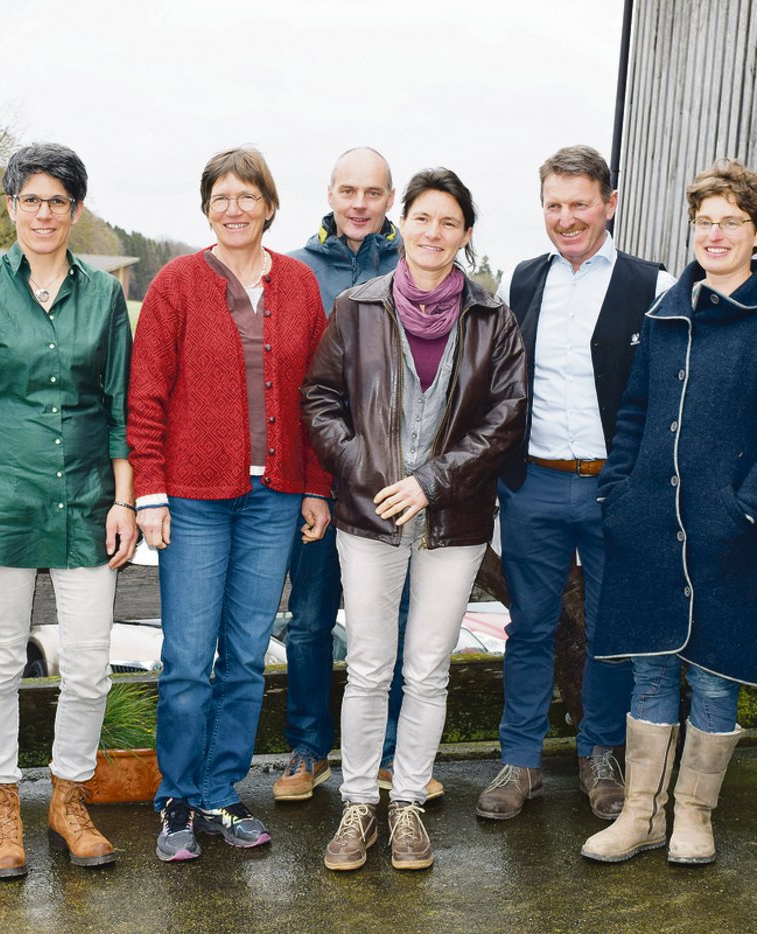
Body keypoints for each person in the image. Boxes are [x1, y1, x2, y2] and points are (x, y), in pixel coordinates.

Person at [581, 159, 757, 865]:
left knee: (714, 669)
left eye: (731, 223)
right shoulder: (664, 312)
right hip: (649, 522)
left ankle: (693, 814)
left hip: (728, 528)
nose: (715, 235)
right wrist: (618, 490)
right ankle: (640, 815)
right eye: (705, 222)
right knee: (652, 667)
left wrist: (748, 506)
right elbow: (633, 411)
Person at [303, 168, 528, 871]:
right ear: (406, 223)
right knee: (370, 667)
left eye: (449, 223)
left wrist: (430, 482)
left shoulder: (494, 318)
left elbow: (506, 418)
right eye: (423, 218)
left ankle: (406, 805)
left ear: (466, 235)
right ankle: (358, 806)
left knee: (428, 668)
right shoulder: (357, 308)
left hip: (454, 523)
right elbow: (319, 400)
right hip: (367, 520)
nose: (434, 233)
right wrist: (369, 473)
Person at [0, 143, 136, 878]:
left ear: (75, 211)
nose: (44, 213)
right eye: (31, 199)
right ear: (11, 206)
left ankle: (68, 800)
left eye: (59, 201)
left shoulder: (105, 296)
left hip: (87, 502)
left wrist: (124, 498)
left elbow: (119, 405)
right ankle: (0, 806)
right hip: (3, 501)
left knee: (87, 667)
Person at [128, 146, 333, 862]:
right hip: (192, 499)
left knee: (246, 656)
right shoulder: (177, 284)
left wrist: (315, 486)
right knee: (187, 658)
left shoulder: (302, 285)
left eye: (249, 196)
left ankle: (221, 792)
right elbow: (145, 395)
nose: (236, 208)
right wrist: (149, 492)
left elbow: (315, 398)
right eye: (222, 197)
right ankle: (176, 799)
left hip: (274, 499)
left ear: (270, 206)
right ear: (206, 208)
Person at [478, 145, 674, 824]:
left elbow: (672, 395)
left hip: (613, 488)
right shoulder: (521, 283)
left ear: (609, 205)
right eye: (554, 205)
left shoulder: (654, 284)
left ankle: (601, 755)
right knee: (529, 626)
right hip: (533, 485)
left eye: (580, 204)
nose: (566, 218)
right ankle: (521, 761)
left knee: (612, 629)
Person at [278, 147, 440, 803]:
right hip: (320, 478)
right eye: (348, 190)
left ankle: (391, 755)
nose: (359, 203)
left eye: (373, 193)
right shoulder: (295, 270)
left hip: (396, 486)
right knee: (312, 620)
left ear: (390, 198)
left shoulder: (416, 267)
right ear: (330, 192)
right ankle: (308, 749)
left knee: (395, 621)